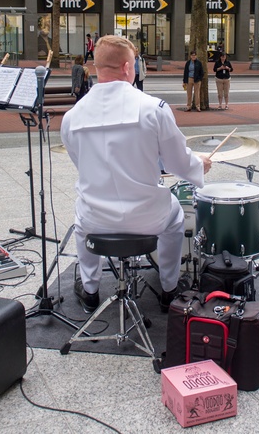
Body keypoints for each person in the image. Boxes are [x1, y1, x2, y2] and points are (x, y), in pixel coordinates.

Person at [61, 35, 211, 313]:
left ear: (96, 67)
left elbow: (79, 162)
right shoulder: (153, 109)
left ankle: (90, 289)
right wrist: (198, 164)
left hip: (97, 218)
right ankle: (169, 288)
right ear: (129, 68)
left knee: (81, 219)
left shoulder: (72, 117)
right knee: (176, 216)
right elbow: (178, 162)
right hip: (147, 217)